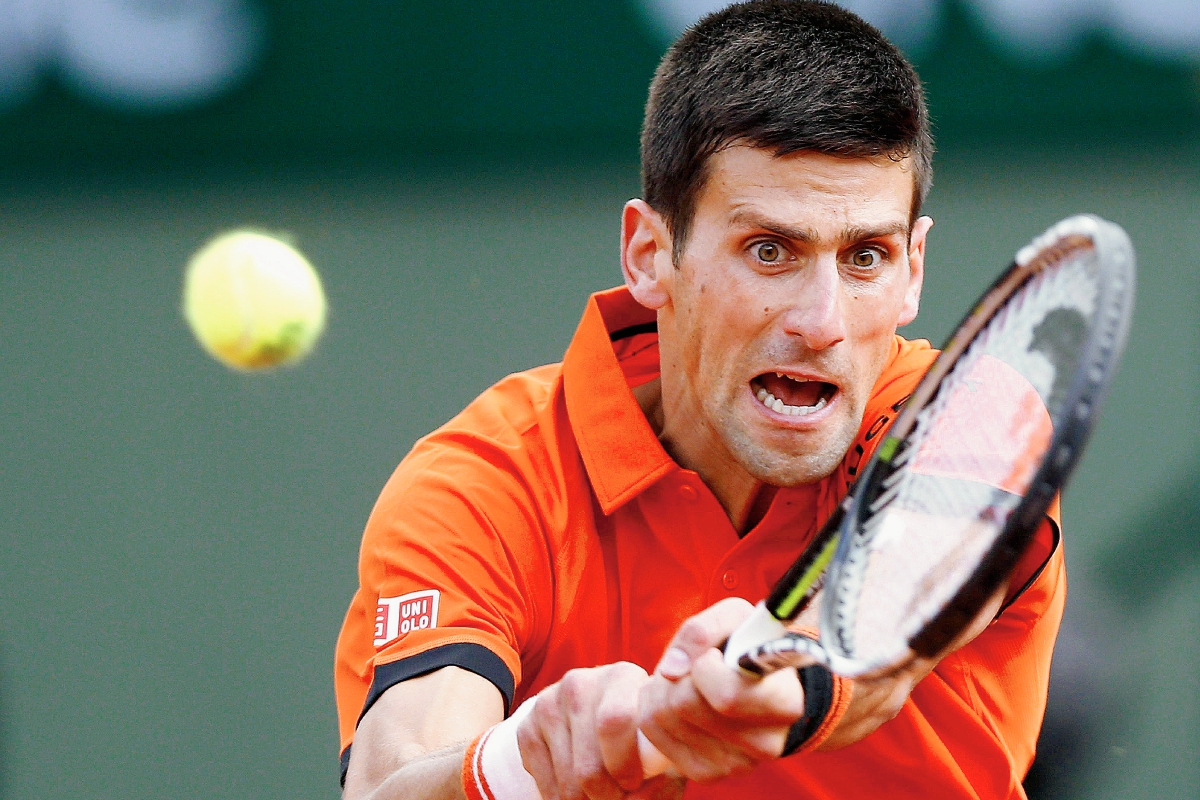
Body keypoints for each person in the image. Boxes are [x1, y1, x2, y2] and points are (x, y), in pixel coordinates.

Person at [334, 2, 1065, 798]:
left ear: (914, 269)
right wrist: (517, 764)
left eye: (866, 256)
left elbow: (901, 605)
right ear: (650, 255)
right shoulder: (488, 482)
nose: (821, 323)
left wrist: (777, 683)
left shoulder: (972, 418)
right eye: (769, 250)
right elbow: (392, 779)